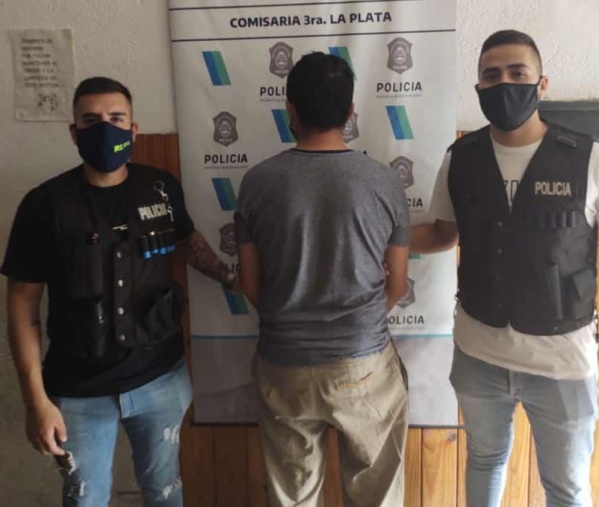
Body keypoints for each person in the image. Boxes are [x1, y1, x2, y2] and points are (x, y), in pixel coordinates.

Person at [2, 76, 237, 507]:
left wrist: (232, 279)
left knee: (165, 492)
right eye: (91, 121)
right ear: (74, 132)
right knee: (85, 499)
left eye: (116, 118)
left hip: (160, 380)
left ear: (133, 129)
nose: (105, 129)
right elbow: (22, 306)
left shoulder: (160, 187)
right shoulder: (45, 204)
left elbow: (187, 242)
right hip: (78, 392)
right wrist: (36, 402)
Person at [411, 30, 599, 507]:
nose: (504, 84)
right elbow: (443, 234)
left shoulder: (588, 158)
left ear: (542, 83)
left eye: (518, 73)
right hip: (479, 353)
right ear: (478, 88)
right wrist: (371, 235)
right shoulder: (461, 157)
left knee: (567, 488)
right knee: (484, 460)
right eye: (491, 76)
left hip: (563, 360)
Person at [235, 52, 411, 507]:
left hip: (283, 363)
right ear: (350, 112)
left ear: (290, 108)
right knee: (376, 496)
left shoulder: (256, 183)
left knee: (292, 497)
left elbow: (250, 284)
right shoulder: (384, 181)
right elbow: (397, 286)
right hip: (363, 361)